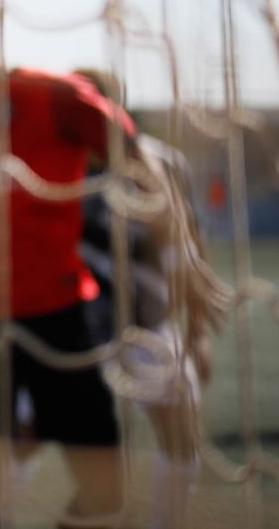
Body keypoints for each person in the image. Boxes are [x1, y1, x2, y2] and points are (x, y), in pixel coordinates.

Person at [0, 0, 226, 529]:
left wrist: (187, 267)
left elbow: (147, 176)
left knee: (106, 492)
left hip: (59, 326)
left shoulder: (56, 99)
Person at [72, 67, 228, 529]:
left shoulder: (161, 163)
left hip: (150, 327)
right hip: (75, 333)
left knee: (181, 438)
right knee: (40, 444)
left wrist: (197, 333)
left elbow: (189, 247)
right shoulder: (56, 162)